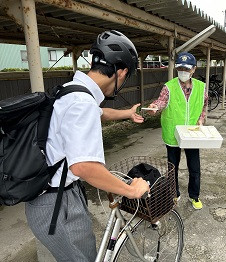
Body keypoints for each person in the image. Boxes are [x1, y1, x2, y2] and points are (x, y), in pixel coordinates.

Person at [25, 30, 150, 262]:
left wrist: (126, 114)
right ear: (120, 72)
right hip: (56, 204)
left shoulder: (72, 90)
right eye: (127, 75)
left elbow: (99, 113)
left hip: (57, 196)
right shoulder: (82, 103)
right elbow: (84, 167)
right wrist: (133, 190)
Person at [147, 52, 208, 210]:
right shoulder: (169, 86)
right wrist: (155, 107)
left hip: (191, 133)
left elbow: (203, 105)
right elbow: (161, 101)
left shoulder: (201, 87)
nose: (182, 71)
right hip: (173, 133)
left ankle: (194, 196)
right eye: (180, 68)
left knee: (194, 167)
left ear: (193, 69)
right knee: (172, 166)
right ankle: (174, 193)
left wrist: (201, 119)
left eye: (186, 69)